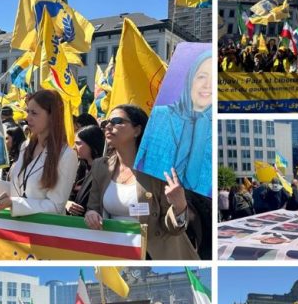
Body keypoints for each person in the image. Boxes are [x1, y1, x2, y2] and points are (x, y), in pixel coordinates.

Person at [84, 105, 199, 260]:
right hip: (115, 253)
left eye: (117, 121)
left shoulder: (158, 169)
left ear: (137, 131)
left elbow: (171, 228)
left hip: (153, 255)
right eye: (105, 123)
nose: (108, 126)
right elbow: (94, 207)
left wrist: (179, 207)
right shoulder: (100, 166)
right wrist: (91, 214)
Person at [0, 89, 77, 216]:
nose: (27, 118)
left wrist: (14, 203)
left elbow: (56, 206)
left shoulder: (67, 155)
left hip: (44, 233)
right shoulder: (26, 146)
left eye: (34, 113)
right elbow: (20, 191)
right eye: (28, 111)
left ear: (52, 116)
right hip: (18, 230)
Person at [135, 49, 212, 197]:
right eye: (202, 77)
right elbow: (137, 163)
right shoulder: (160, 115)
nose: (207, 85)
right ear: (190, 79)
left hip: (197, 210)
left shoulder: (217, 129)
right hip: (156, 202)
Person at [66, 125, 105, 216]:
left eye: (78, 143)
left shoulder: (105, 169)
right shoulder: (78, 166)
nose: (74, 147)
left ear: (92, 144)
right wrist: (67, 203)